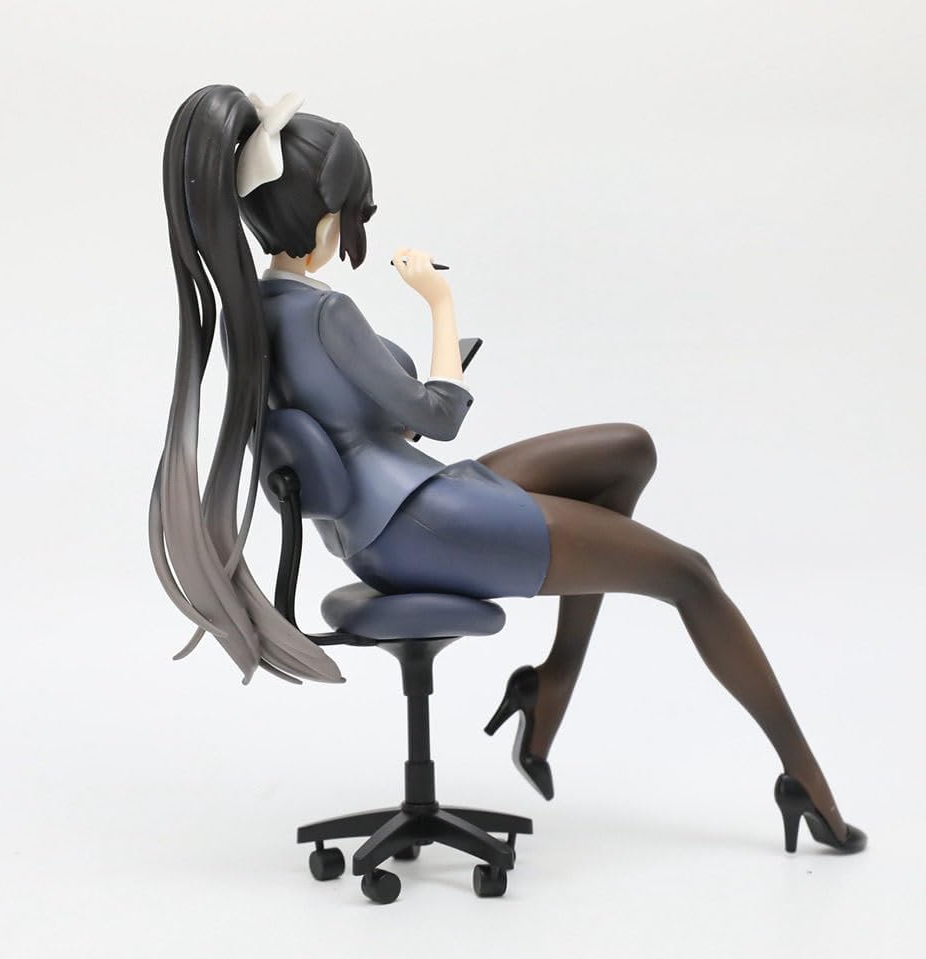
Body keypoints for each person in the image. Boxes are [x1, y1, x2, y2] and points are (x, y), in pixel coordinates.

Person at [152, 84, 865, 854]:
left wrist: (403, 398)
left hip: (399, 509)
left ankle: (551, 684)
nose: (357, 230)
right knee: (690, 575)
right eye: (354, 213)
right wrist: (439, 302)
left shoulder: (259, 314)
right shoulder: (326, 313)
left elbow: (364, 422)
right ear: (325, 218)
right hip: (422, 524)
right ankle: (806, 780)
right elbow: (440, 417)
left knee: (627, 453)